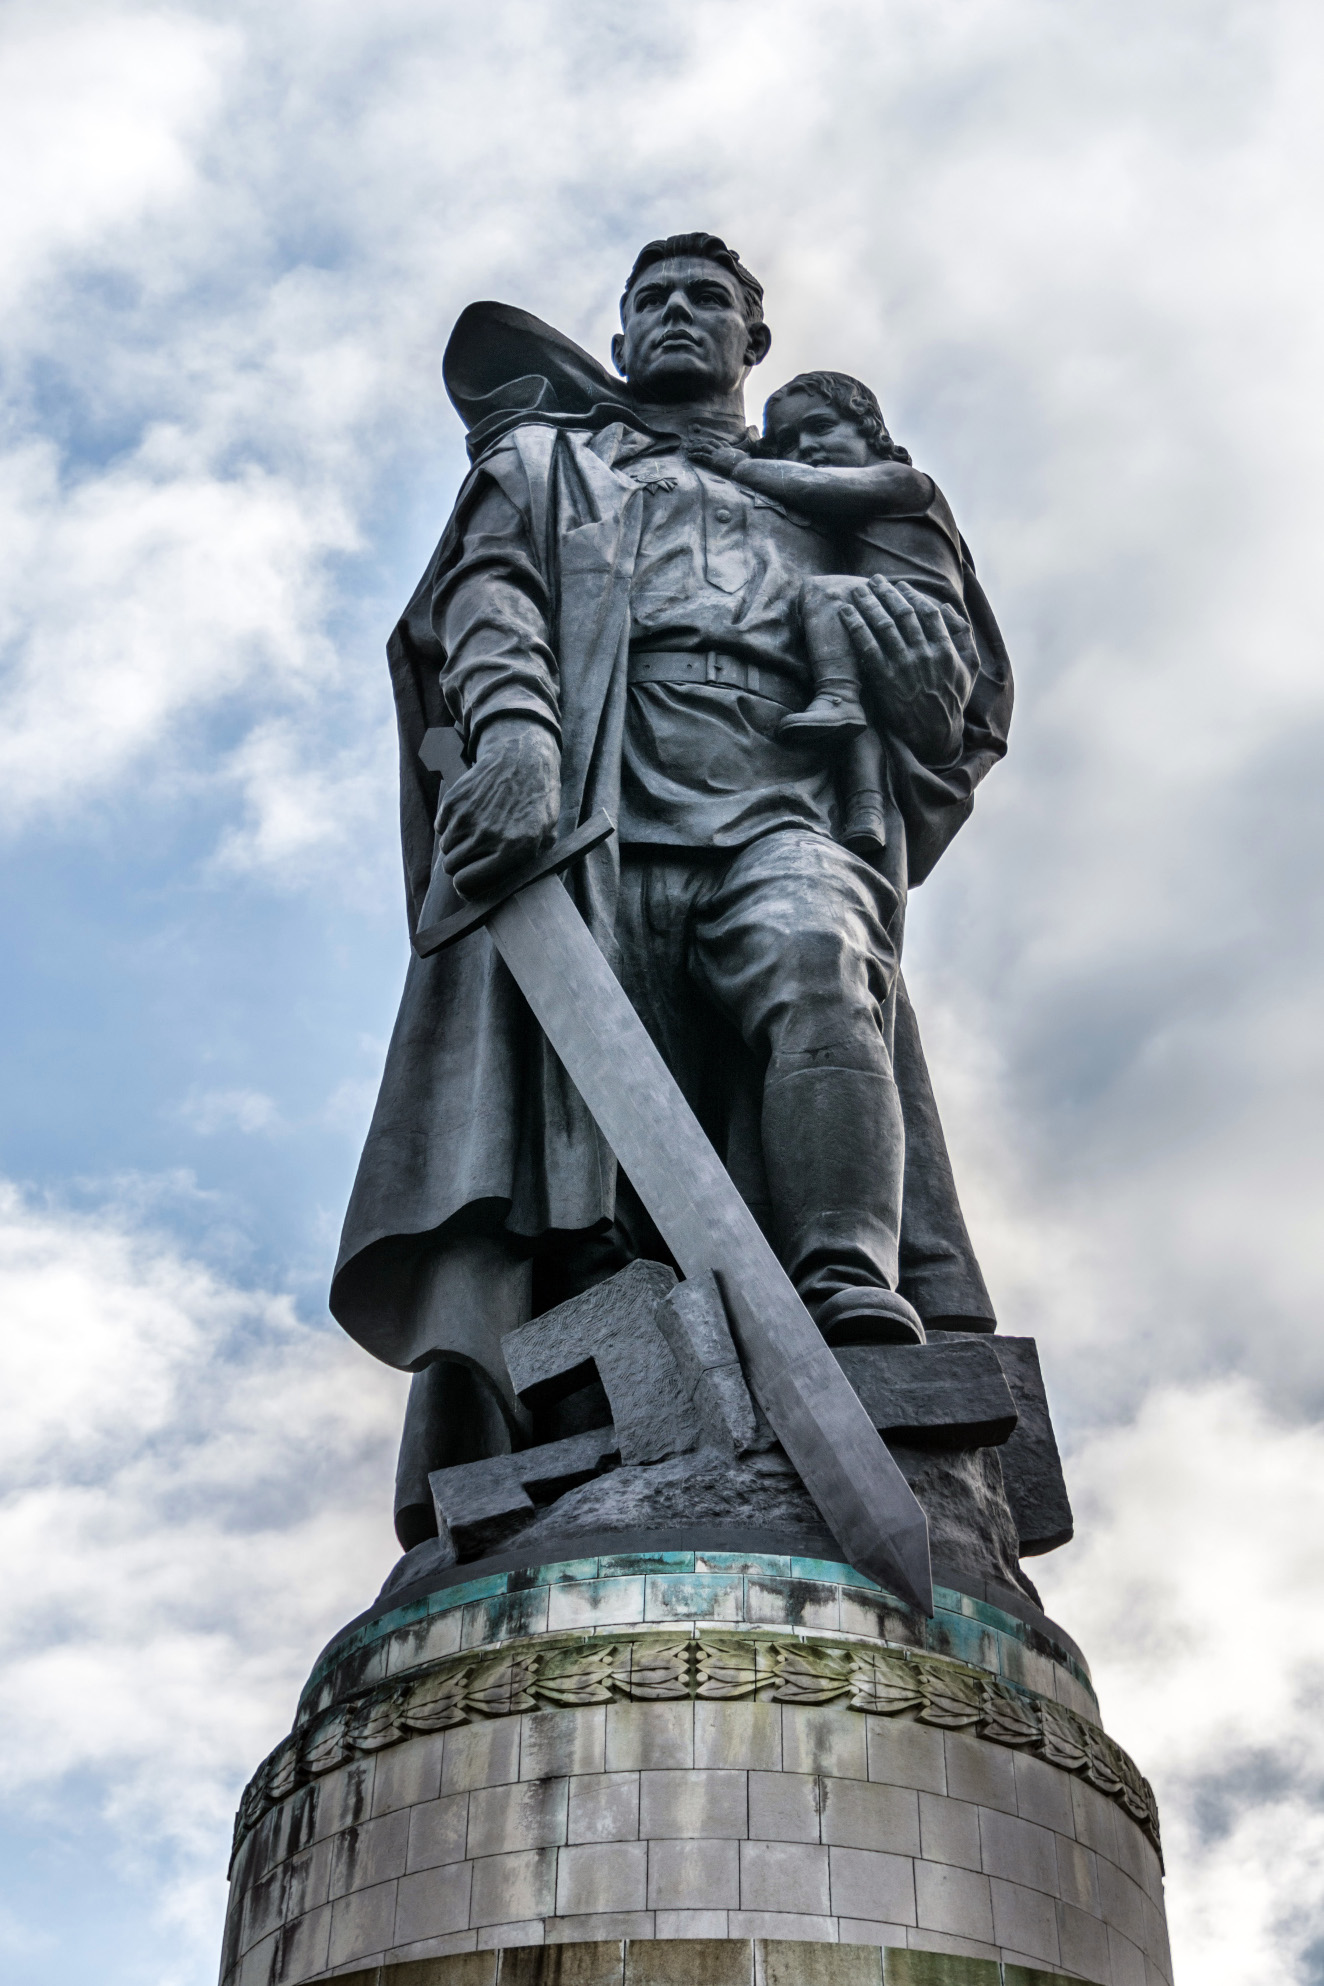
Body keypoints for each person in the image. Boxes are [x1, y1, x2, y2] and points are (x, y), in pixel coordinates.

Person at [329, 234, 1013, 1549]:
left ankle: (845, 1294)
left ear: (754, 343)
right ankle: (608, 1406)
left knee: (819, 965)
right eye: (655, 301)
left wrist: (929, 704)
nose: (681, 315)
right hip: (603, 800)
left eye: (712, 300)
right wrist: (517, 731)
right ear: (626, 333)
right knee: (588, 1131)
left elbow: (955, 686)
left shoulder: (836, 493)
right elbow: (488, 603)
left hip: (787, 791)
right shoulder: (544, 464)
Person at [686, 369, 972, 863]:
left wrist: (737, 464)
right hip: (871, 614)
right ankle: (866, 814)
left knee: (821, 596)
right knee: (859, 725)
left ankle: (836, 694)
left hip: (918, 621)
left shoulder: (903, 482)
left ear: (873, 433)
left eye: (822, 428)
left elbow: (813, 487)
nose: (806, 448)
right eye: (788, 441)